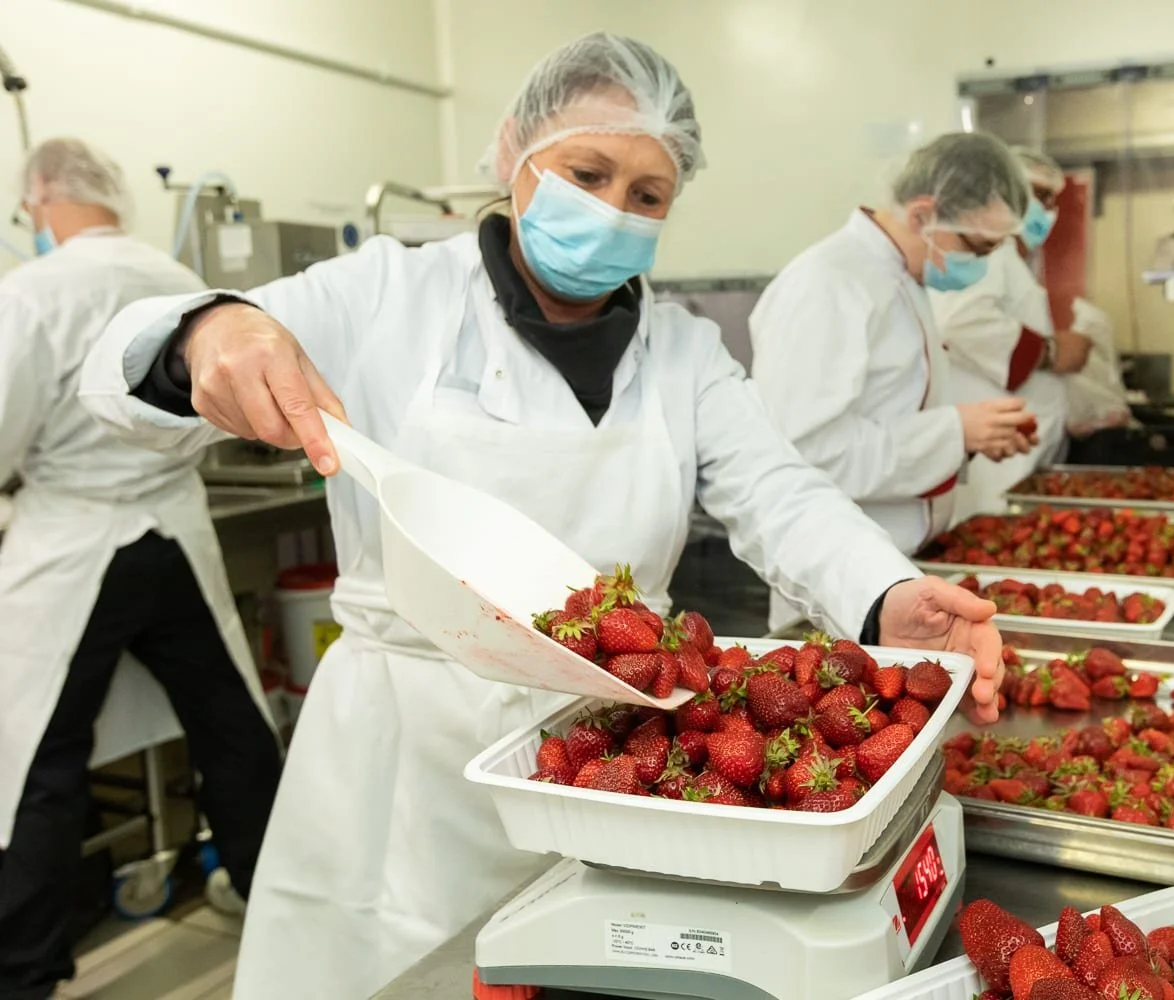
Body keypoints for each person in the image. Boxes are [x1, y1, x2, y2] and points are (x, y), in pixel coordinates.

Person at [78, 35, 1009, 999]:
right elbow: (114, 370)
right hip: (404, 754)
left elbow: (781, 490)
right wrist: (210, 331)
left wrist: (883, 593)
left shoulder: (684, 352)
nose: (613, 211)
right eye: (588, 171)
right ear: (514, 151)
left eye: (647, 195)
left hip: (619, 756)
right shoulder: (387, 292)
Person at [0, 139, 282, 1000]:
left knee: (38, 755)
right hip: (175, 530)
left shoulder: (32, 292)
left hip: (71, 539)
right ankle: (273, 897)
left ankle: (22, 971)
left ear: (40, 198)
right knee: (231, 725)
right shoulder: (179, 280)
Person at [748, 132, 1038, 632]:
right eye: (978, 246)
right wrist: (953, 433)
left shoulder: (903, 276)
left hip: (902, 567)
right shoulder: (827, 283)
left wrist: (971, 437)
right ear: (923, 215)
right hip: (841, 587)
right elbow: (802, 455)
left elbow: (888, 413)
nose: (983, 264)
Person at [928, 146, 1094, 520]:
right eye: (1036, 195)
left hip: (1017, 453)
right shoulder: (990, 253)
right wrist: (1051, 352)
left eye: (1052, 199)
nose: (1046, 210)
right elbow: (962, 321)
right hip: (995, 459)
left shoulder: (1012, 259)